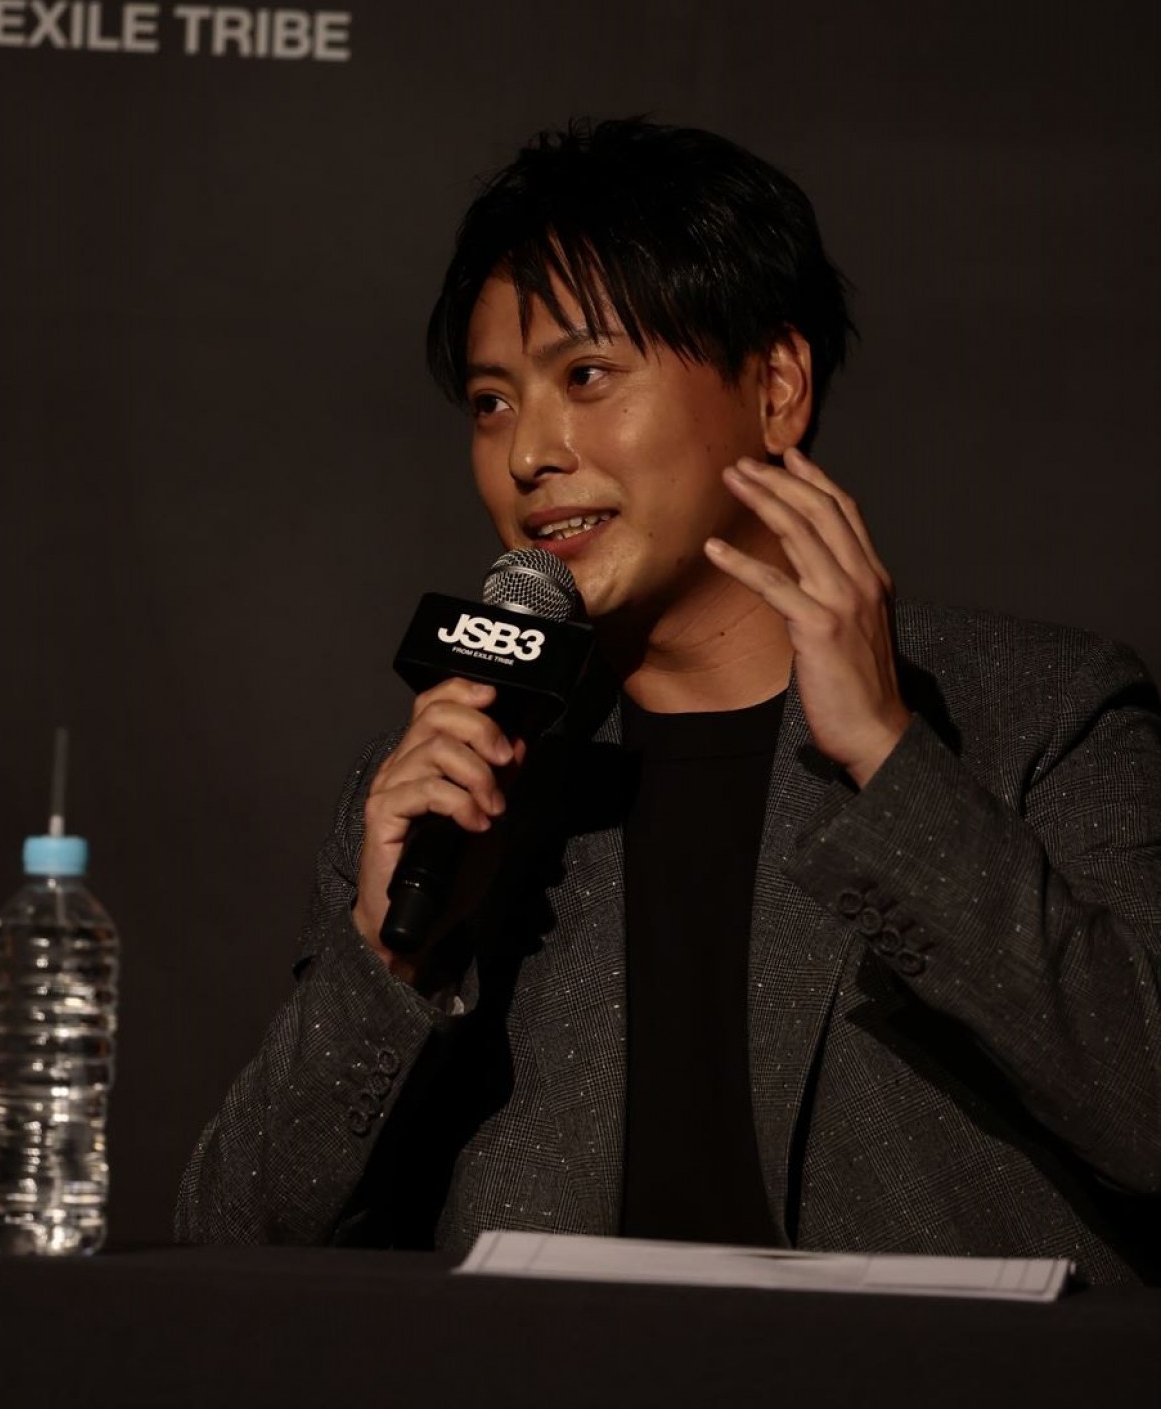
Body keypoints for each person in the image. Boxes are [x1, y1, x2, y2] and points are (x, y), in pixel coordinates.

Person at [176, 119, 1161, 1282]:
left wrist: (893, 764)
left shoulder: (1037, 714)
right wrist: (393, 966)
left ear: (776, 388)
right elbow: (229, 1252)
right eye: (491, 402)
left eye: (586, 376)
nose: (529, 452)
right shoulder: (452, 781)